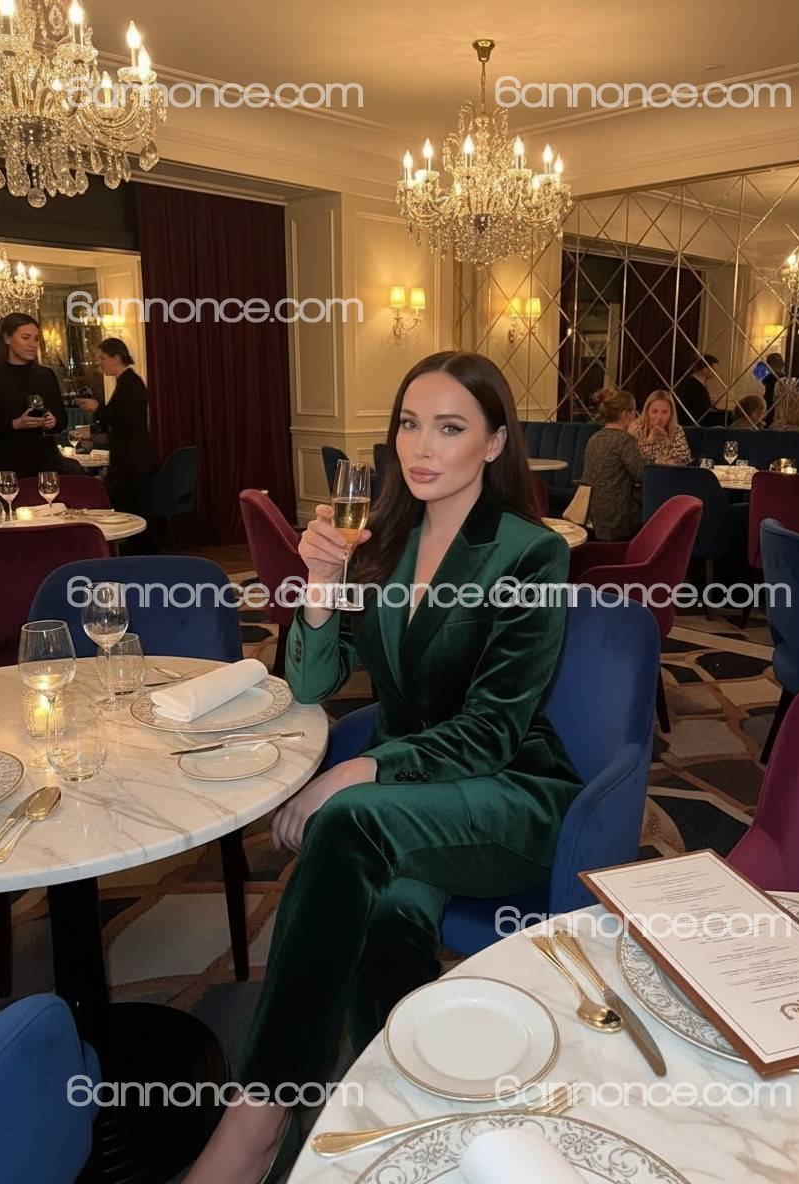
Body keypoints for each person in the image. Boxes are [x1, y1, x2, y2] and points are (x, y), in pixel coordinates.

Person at [184, 351, 582, 1184]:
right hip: (406, 808)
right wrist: (320, 584)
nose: (421, 447)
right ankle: (400, 1128)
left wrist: (360, 770)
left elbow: (493, 730)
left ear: (494, 441)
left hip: (508, 796)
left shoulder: (530, 555)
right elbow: (312, 683)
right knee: (390, 915)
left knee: (349, 821)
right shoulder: (380, 541)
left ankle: (254, 1125)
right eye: (409, 423)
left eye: (450, 427)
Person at [75, 338, 159, 510]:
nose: (99, 363)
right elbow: (118, 417)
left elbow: (128, 420)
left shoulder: (130, 383)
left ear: (116, 358)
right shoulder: (126, 382)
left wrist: (97, 408)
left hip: (132, 461)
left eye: (102, 358)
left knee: (131, 512)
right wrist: (92, 429)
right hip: (130, 461)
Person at [0, 312, 67, 477]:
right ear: (7, 338)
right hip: (6, 463)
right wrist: (15, 424)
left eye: (36, 339)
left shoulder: (46, 375)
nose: (32, 344)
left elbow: (62, 418)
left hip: (45, 461)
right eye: (25, 337)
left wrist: (53, 421)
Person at [580, 387, 644, 541]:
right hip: (615, 520)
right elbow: (642, 475)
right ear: (626, 414)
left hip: (591, 516)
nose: (636, 416)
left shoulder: (594, 438)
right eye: (634, 412)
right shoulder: (625, 440)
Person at [629, 389, 691, 465]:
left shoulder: (677, 430)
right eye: (654, 411)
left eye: (664, 412)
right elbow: (633, 461)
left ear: (671, 414)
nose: (659, 417)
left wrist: (664, 441)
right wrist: (649, 442)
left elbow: (684, 459)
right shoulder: (638, 428)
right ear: (647, 411)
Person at [675, 354, 719, 425]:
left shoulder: (694, 384)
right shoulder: (694, 386)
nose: (715, 371)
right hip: (692, 426)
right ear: (705, 369)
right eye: (712, 368)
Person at [760, 352, 785, 418]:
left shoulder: (769, 376)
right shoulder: (771, 377)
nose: (782, 363)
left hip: (774, 403)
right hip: (771, 403)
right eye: (778, 362)